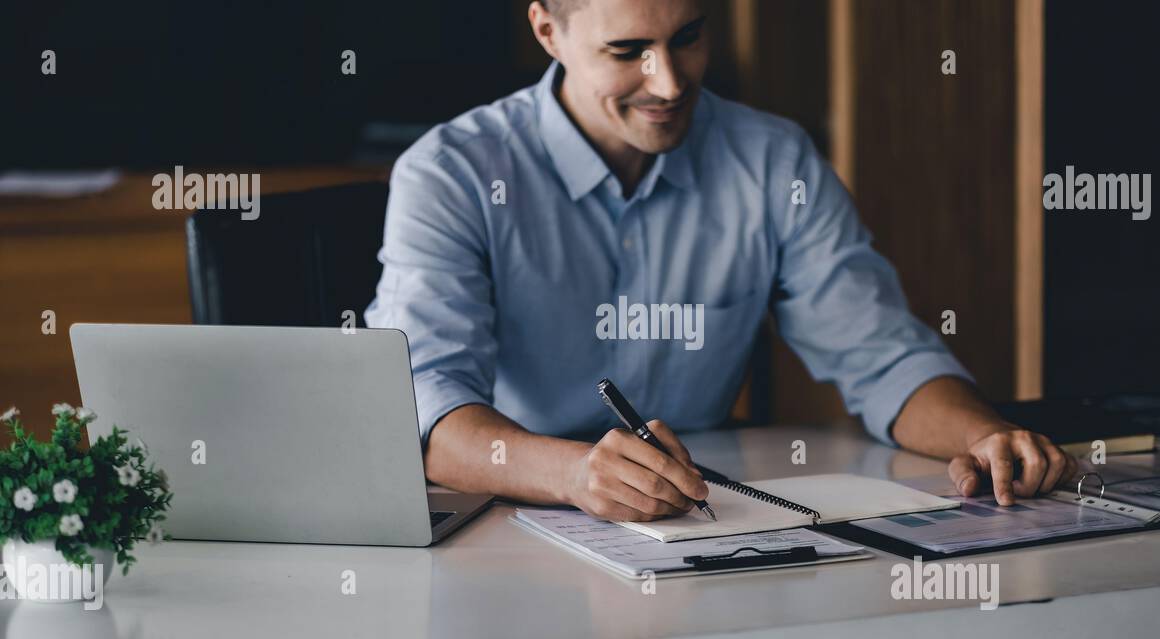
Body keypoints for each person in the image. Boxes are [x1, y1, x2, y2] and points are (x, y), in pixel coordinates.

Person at [365, 0, 1076, 522]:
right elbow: (422, 407)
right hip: (512, 518)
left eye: (690, 37)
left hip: (702, 520)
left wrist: (982, 435)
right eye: (627, 51)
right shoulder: (451, 172)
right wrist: (576, 472)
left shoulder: (774, 159)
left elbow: (881, 354)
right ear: (548, 30)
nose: (670, 83)